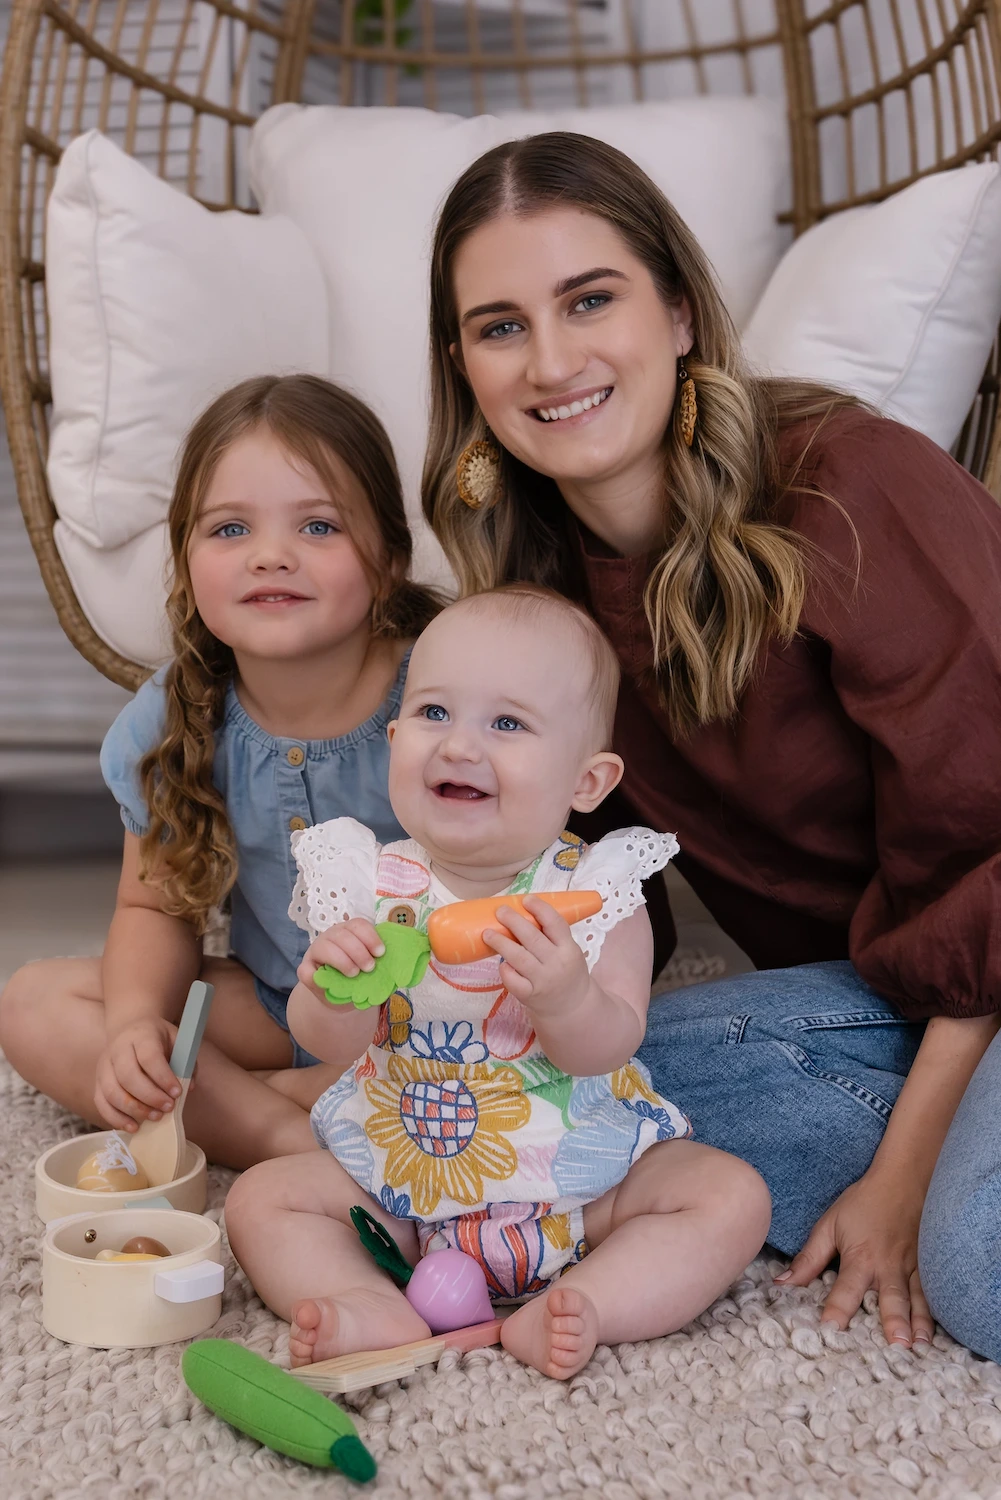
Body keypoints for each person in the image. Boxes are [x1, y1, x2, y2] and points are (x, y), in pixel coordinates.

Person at [420, 132, 1001, 1359]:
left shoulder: (850, 488)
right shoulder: (535, 598)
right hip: (875, 998)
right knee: (481, 1090)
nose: (554, 360)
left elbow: (986, 862)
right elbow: (580, 916)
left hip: (979, 960)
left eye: (589, 300)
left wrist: (896, 1184)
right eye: (500, 325)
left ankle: (931, 1160)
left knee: (977, 1268)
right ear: (462, 366)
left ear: (678, 311)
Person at [225, 586, 770, 1379]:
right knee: (262, 1200)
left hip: (583, 1192)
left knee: (729, 1196)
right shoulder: (365, 882)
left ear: (587, 782)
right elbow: (329, 1045)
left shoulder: (595, 892)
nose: (458, 746)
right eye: (435, 713)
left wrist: (567, 998)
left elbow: (611, 1043)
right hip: (404, 1185)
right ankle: (371, 1300)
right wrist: (332, 984)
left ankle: (587, 1300)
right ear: (394, 739)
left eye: (507, 724)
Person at [0, 374, 440, 1168]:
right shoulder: (173, 719)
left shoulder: (444, 692)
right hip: (277, 1006)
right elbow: (153, 908)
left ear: (390, 560)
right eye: (229, 529)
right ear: (186, 561)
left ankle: (274, 1108)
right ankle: (289, 1129)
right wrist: (136, 1026)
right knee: (35, 1004)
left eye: (317, 526)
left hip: (443, 1012)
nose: (270, 556)